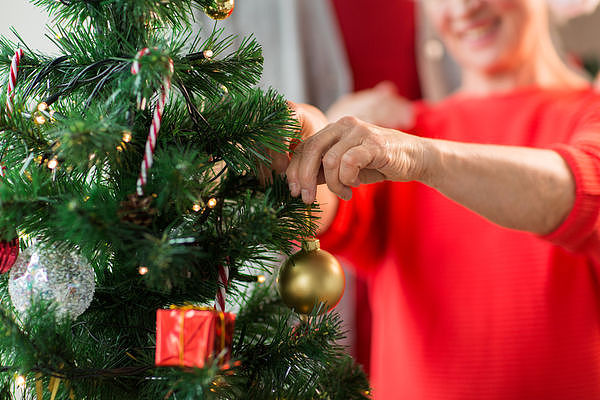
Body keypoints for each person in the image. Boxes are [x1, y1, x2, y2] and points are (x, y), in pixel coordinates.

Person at [277, 0, 600, 398]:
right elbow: (325, 209)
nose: (464, 7)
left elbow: (582, 190)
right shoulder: (403, 134)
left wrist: (423, 158)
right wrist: (304, 135)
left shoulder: (589, 115)